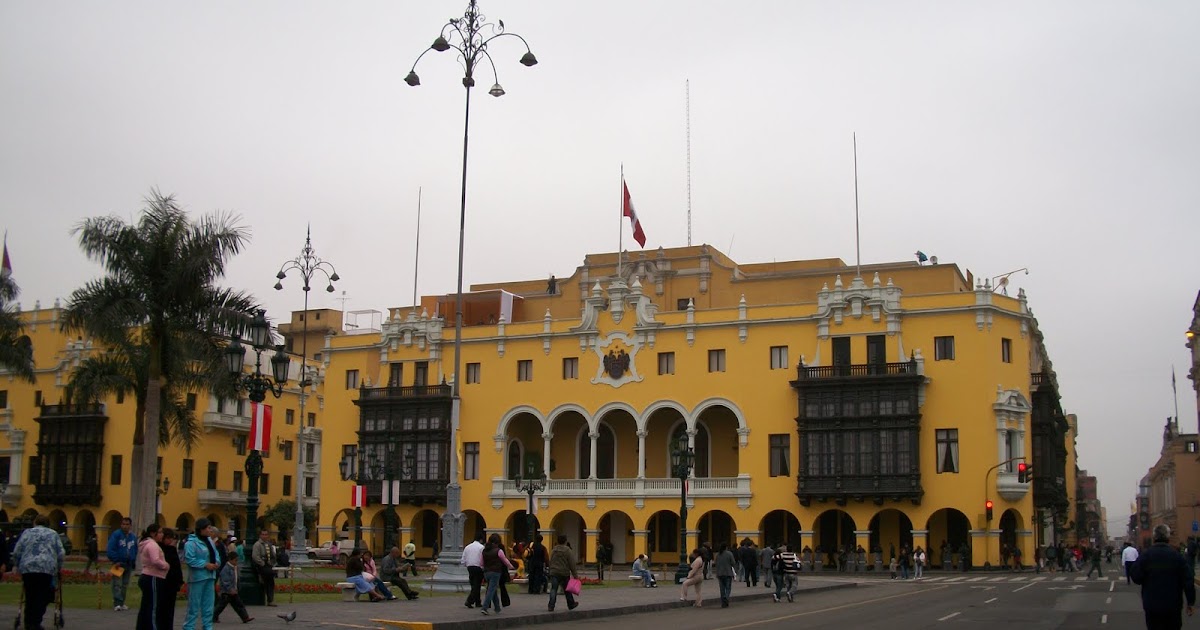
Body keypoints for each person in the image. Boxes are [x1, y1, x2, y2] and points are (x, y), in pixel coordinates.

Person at [1130, 524, 1195, 629]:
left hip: (1152, 605)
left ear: (1154, 537)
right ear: (1168, 537)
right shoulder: (1176, 556)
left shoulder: (1146, 556)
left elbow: (1136, 576)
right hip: (1173, 605)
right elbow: (1188, 580)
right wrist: (1190, 602)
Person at [12, 514, 65, 630]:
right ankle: (35, 622)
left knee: (30, 595)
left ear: (35, 522)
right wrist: (58, 567)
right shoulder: (53, 534)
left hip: (28, 568)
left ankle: (28, 622)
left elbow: (17, 550)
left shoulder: (27, 533)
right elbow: (61, 553)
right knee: (42, 596)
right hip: (46, 568)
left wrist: (16, 564)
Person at [182, 518, 222, 630]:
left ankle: (208, 626)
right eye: (208, 528)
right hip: (197, 578)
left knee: (208, 605)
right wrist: (205, 564)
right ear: (201, 529)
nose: (210, 530)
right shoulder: (191, 543)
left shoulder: (209, 541)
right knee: (193, 606)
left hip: (210, 576)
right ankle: (189, 627)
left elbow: (216, 554)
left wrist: (216, 563)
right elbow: (190, 559)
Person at [136, 523, 169, 630]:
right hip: (153, 576)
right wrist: (165, 566)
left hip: (147, 575)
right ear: (153, 533)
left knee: (146, 605)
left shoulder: (146, 544)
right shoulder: (152, 545)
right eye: (159, 532)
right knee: (153, 606)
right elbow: (155, 560)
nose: (162, 535)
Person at [107, 516, 138, 612]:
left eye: (127, 524)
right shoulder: (116, 535)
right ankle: (117, 603)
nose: (125, 526)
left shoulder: (132, 536)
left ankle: (122, 602)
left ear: (130, 525)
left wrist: (133, 560)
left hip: (128, 563)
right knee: (117, 584)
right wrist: (115, 560)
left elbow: (135, 549)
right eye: (123, 524)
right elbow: (110, 548)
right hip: (118, 563)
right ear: (121, 525)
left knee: (125, 584)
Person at [213, 551, 254, 623]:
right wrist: (230, 589)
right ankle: (213, 617)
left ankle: (245, 617)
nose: (236, 562)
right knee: (221, 606)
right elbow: (225, 581)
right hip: (226, 592)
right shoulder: (226, 569)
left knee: (239, 605)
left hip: (233, 591)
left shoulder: (235, 568)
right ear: (230, 560)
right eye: (235, 560)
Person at [479, 533, 513, 615]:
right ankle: (485, 607)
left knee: (493, 590)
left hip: (486, 572)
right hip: (495, 572)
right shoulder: (499, 551)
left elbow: (481, 563)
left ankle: (497, 607)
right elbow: (505, 560)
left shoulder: (484, 550)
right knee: (491, 590)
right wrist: (511, 566)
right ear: (498, 542)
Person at [547, 534, 580, 612]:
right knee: (567, 590)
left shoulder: (554, 550)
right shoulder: (567, 550)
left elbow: (550, 561)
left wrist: (550, 571)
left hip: (554, 572)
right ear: (565, 541)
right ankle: (571, 604)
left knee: (554, 589)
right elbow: (572, 563)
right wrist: (575, 575)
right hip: (564, 573)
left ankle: (551, 606)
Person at [159, 528, 184, 630]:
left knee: (169, 609)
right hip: (165, 582)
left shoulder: (171, 549)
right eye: (170, 538)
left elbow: (177, 567)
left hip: (172, 584)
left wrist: (179, 581)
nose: (172, 541)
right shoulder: (163, 550)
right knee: (163, 609)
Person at [251, 529, 277, 607]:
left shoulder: (269, 544)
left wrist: (272, 562)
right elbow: (255, 556)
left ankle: (270, 599)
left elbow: (273, 555)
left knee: (270, 581)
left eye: (266, 534)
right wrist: (262, 563)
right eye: (263, 534)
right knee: (268, 578)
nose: (265, 536)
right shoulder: (257, 544)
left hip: (268, 565)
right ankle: (269, 599)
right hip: (261, 565)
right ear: (260, 535)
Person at [462, 532, 486, 608]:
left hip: (470, 567)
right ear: (481, 539)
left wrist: (466, 564)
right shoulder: (481, 547)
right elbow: (483, 558)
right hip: (478, 567)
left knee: (474, 584)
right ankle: (470, 600)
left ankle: (477, 602)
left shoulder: (467, 547)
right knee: (477, 585)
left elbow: (463, 559)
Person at [715, 542, 736, 608]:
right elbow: (733, 563)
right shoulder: (729, 554)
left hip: (719, 573)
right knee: (728, 587)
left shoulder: (717, 554)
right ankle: (726, 598)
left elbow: (716, 563)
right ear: (726, 547)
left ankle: (723, 602)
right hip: (728, 573)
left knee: (722, 588)